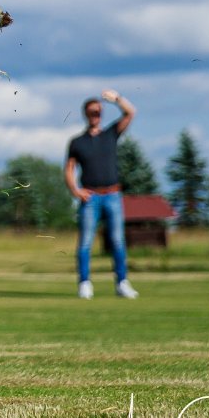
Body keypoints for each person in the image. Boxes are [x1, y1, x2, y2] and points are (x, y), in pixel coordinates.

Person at [64, 90, 139, 300]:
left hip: (113, 194)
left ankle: (122, 282)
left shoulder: (110, 134)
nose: (95, 115)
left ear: (102, 114)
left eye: (98, 112)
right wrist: (75, 191)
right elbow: (69, 169)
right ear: (85, 114)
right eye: (91, 112)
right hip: (91, 197)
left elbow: (130, 113)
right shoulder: (77, 142)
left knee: (117, 241)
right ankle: (85, 283)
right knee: (86, 242)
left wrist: (117, 99)